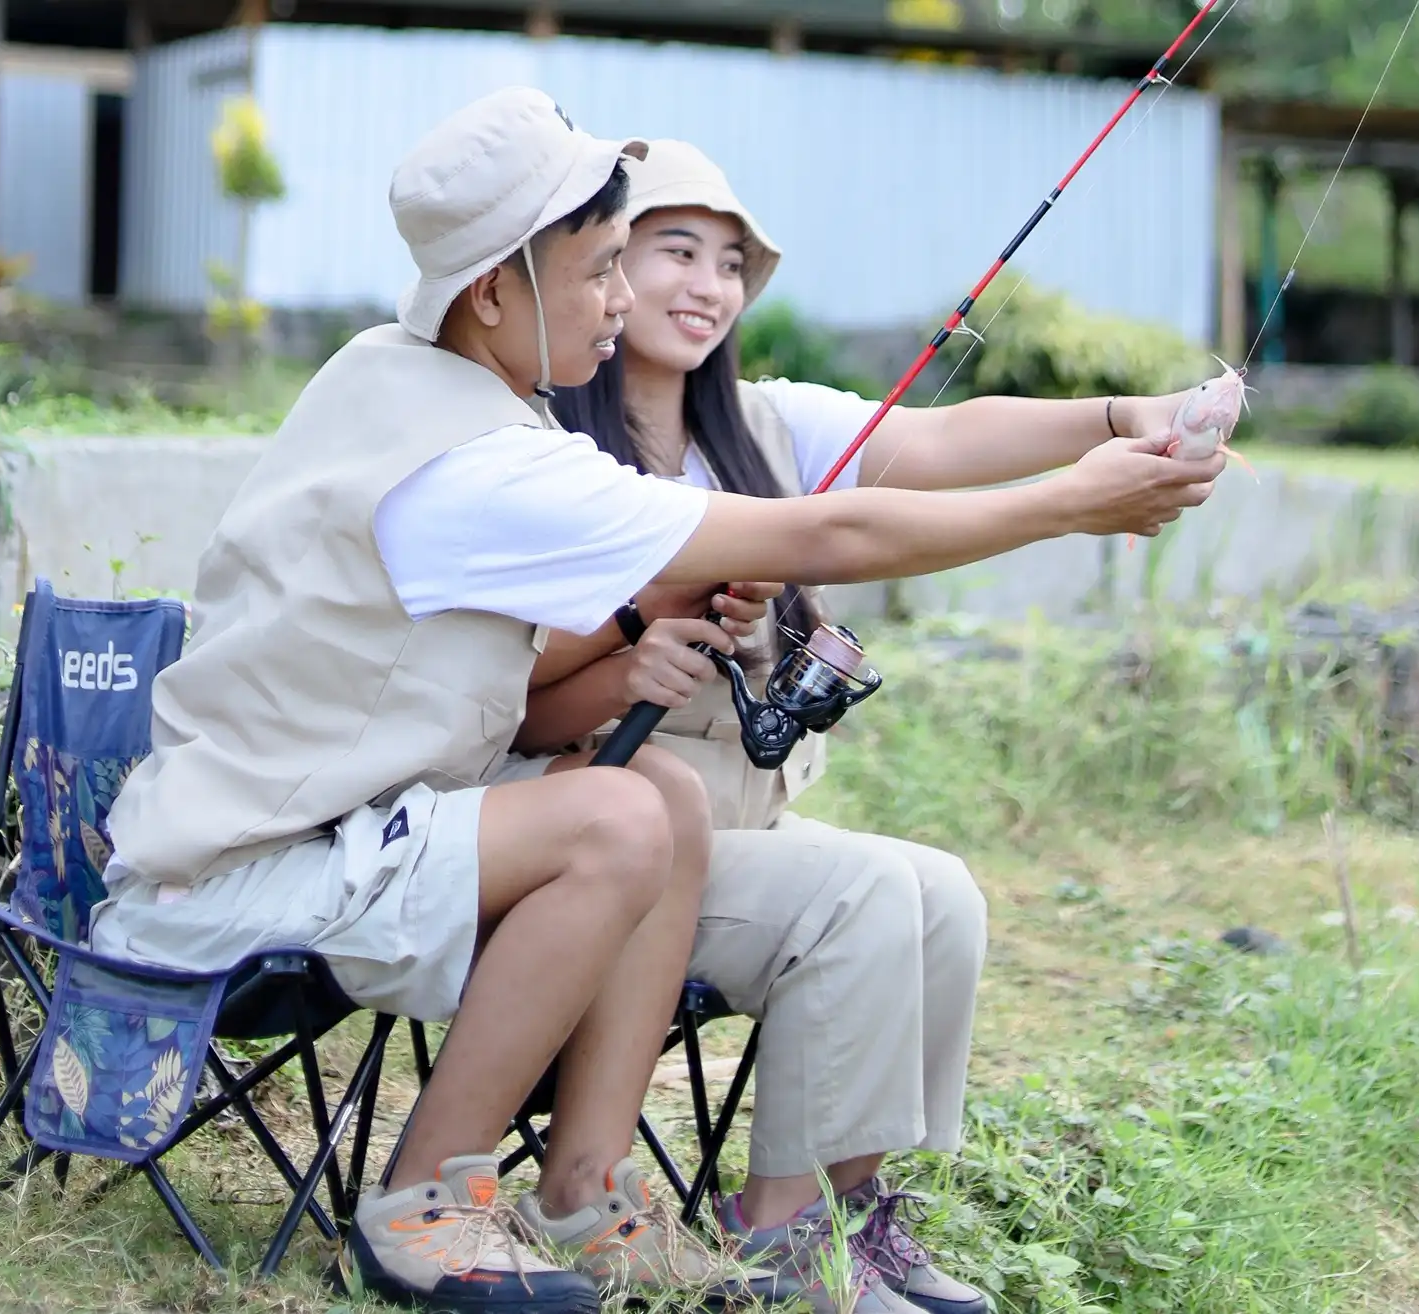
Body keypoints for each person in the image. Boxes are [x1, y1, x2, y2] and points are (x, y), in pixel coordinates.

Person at [93, 88, 1226, 1314]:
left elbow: (891, 473)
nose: (626, 298)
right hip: (244, 879)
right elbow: (831, 532)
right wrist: (1072, 505)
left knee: (665, 798)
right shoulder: (487, 462)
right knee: (625, 813)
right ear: (494, 292)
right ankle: (424, 1204)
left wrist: (1112, 430)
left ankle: (583, 1195)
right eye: (605, 270)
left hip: (357, 834)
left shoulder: (406, 377)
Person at [523, 139, 1238, 1314]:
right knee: (856, 897)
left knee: (941, 892)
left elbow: (946, 441)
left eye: (732, 265)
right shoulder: (552, 452)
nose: (708, 285)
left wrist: (1131, 414)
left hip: (742, 821)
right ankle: (782, 1238)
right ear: (603, 267)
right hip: (616, 833)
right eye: (675, 252)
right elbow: (525, 683)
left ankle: (849, 1213)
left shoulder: (767, 425)